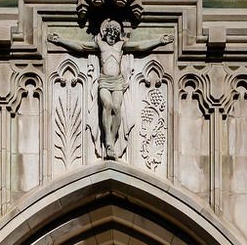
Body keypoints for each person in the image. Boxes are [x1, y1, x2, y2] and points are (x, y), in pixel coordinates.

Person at [48, 20, 174, 160]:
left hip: (117, 83)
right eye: (110, 34)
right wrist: (60, 40)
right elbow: (81, 46)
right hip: (104, 81)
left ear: (117, 36)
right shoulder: (100, 44)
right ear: (105, 33)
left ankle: (112, 140)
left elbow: (139, 47)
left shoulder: (121, 45)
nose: (112, 37)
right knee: (107, 105)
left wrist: (160, 41)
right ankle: (108, 139)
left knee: (117, 108)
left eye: (114, 35)